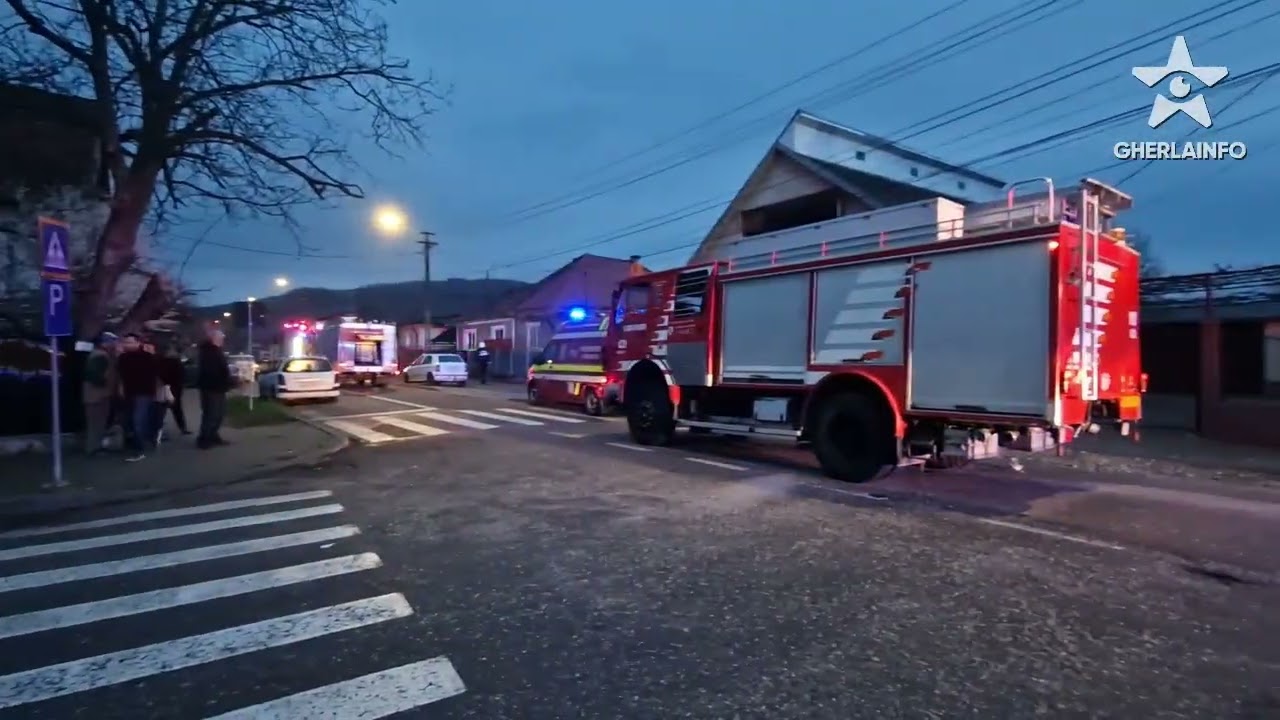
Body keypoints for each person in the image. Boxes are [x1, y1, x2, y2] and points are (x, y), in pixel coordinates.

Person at [115, 333, 159, 462]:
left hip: (144, 393)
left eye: (130, 342)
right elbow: (121, 376)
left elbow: (156, 372)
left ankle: (139, 450)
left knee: (138, 420)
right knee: (129, 420)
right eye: (125, 342)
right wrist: (121, 388)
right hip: (129, 393)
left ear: (138, 343)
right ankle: (138, 443)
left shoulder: (147, 357)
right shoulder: (123, 358)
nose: (127, 345)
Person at [81, 332, 118, 455]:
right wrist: (105, 385)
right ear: (105, 343)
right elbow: (94, 376)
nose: (114, 345)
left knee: (98, 424)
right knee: (95, 424)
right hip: (96, 397)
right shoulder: (99, 356)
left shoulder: (100, 355)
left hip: (96, 396)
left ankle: (96, 447)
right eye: (112, 342)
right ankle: (93, 449)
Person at [196, 327, 232, 449]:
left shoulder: (216, 351)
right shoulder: (209, 352)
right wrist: (225, 378)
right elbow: (212, 370)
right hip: (212, 387)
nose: (223, 340)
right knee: (211, 414)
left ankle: (212, 435)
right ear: (214, 339)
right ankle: (204, 439)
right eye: (221, 338)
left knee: (218, 414)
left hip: (218, 387)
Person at [158, 345, 190, 437]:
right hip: (173, 387)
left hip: (167, 387)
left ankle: (159, 430)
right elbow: (181, 375)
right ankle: (182, 428)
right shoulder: (175, 361)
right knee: (175, 409)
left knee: (163, 410)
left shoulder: (161, 360)